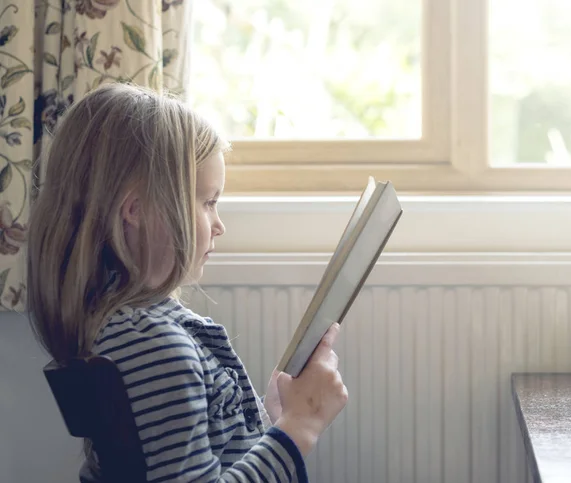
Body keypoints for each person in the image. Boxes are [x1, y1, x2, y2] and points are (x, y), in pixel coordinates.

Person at [27, 83, 348, 482]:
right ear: (136, 210)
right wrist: (301, 428)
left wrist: (270, 419)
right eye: (208, 202)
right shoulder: (153, 346)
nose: (219, 225)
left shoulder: (135, 328)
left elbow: (204, 449)